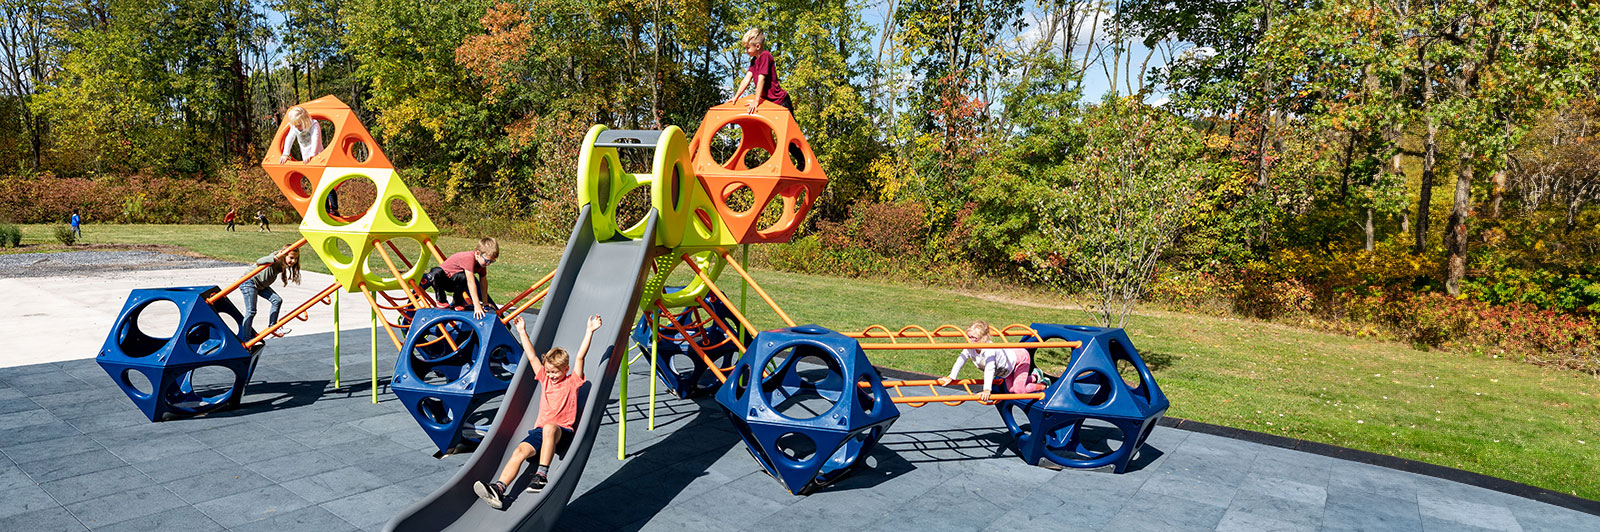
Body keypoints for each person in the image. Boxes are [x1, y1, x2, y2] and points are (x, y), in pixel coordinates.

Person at [474, 314, 601, 508]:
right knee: (520, 451)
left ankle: (541, 475)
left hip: (562, 432)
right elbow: (532, 356)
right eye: (548, 371)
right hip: (541, 432)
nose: (551, 375)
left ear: (565, 369)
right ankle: (499, 489)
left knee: (550, 427)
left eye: (555, 372)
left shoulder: (573, 381)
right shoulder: (544, 378)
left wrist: (589, 331)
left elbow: (581, 356)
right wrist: (522, 332)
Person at [727, 27, 805, 166]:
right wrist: (736, 97)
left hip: (781, 102)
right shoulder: (754, 61)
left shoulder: (765, 56)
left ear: (757, 46)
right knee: (778, 137)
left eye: (747, 48)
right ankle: (790, 162)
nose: (746, 51)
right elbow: (747, 78)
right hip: (770, 104)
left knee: (788, 138)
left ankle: (802, 160)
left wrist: (756, 101)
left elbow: (762, 79)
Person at [935, 320, 1048, 402]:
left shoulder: (989, 350)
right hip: (1006, 368)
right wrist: (951, 377)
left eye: (975, 338)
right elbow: (961, 359)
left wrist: (987, 390)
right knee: (1011, 389)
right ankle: (1034, 376)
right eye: (969, 337)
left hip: (1020, 359)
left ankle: (1042, 384)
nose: (970, 341)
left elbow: (989, 369)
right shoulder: (970, 346)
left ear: (984, 339)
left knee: (1018, 390)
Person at [276, 106, 338, 216]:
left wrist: (313, 155)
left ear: (305, 120)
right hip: (306, 160)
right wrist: (285, 154)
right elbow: (289, 138)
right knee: (317, 186)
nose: (297, 127)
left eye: (299, 125)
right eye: (295, 125)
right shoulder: (294, 126)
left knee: (326, 185)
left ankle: (334, 209)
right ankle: (326, 210)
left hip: (318, 158)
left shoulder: (314, 124)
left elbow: (316, 139)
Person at [421, 238, 498, 318]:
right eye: (487, 261)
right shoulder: (469, 258)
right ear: (478, 253)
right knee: (436, 272)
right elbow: (471, 282)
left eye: (492, 262)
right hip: (442, 280)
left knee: (463, 277)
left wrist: (485, 302)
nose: (489, 264)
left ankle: (458, 302)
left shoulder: (481, 263)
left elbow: (483, 282)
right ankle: (441, 299)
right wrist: (477, 305)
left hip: (455, 282)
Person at [240, 246, 301, 343]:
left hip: (261, 285)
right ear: (283, 254)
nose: (293, 261)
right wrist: (275, 258)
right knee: (251, 311)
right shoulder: (275, 258)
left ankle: (273, 326)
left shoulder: (283, 263)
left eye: (296, 259)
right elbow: (259, 261)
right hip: (249, 282)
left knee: (277, 300)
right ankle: (246, 339)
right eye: (291, 257)